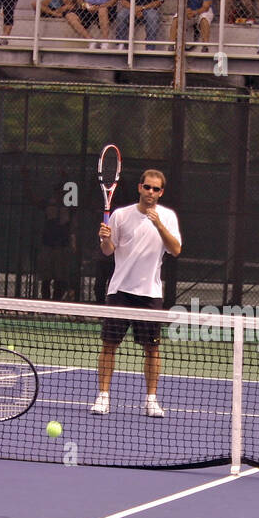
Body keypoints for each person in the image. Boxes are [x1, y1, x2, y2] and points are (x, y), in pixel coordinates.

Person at [91, 169, 182, 418]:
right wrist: (104, 239)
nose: (150, 192)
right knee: (109, 346)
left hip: (150, 294)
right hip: (119, 291)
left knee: (152, 350)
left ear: (161, 192)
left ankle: (151, 400)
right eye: (147, 187)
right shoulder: (121, 215)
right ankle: (103, 397)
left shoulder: (168, 217)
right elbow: (109, 251)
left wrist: (158, 224)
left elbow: (175, 250)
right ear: (140, 188)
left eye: (156, 189)